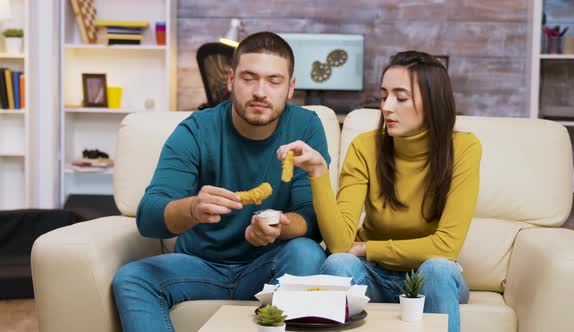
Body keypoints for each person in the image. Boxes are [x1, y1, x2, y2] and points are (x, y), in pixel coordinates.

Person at [112, 31, 330, 332]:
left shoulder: (305, 126)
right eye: (249, 78)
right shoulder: (196, 130)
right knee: (131, 278)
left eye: (274, 81)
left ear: (290, 87)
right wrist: (191, 208)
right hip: (201, 266)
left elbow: (311, 218)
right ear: (230, 80)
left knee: (307, 252)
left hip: (268, 265)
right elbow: (148, 217)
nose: (260, 91)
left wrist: (279, 227)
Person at [277, 51, 481, 332]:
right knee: (339, 264)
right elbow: (338, 245)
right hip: (371, 274)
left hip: (429, 277)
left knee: (438, 268)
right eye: (384, 95)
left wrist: (366, 247)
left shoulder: (464, 148)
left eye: (401, 97)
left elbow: (446, 247)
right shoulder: (365, 146)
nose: (387, 106)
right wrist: (318, 172)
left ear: (433, 102)